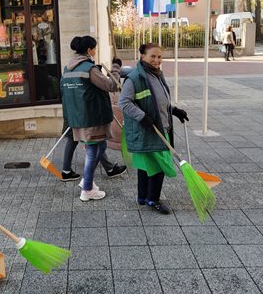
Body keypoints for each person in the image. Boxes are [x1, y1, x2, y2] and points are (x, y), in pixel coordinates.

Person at [119, 43, 189, 214]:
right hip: (147, 130)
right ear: (142, 56)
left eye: (159, 56)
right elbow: (125, 103)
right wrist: (143, 117)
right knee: (159, 165)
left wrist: (173, 110)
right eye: (153, 56)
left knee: (147, 165)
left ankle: (143, 197)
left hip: (158, 127)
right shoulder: (135, 78)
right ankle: (153, 200)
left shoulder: (157, 75)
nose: (157, 60)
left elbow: (158, 102)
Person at [60, 36, 121, 201]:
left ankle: (86, 181)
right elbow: (112, 85)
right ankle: (87, 190)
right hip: (92, 117)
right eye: (94, 48)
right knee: (93, 151)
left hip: (77, 116)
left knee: (100, 146)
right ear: (89, 50)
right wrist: (116, 68)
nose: (95, 51)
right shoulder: (89, 69)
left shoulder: (68, 69)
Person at [61, 118, 127, 181]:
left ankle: (66, 171)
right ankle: (109, 170)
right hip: (80, 116)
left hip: (73, 115)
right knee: (96, 139)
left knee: (73, 139)